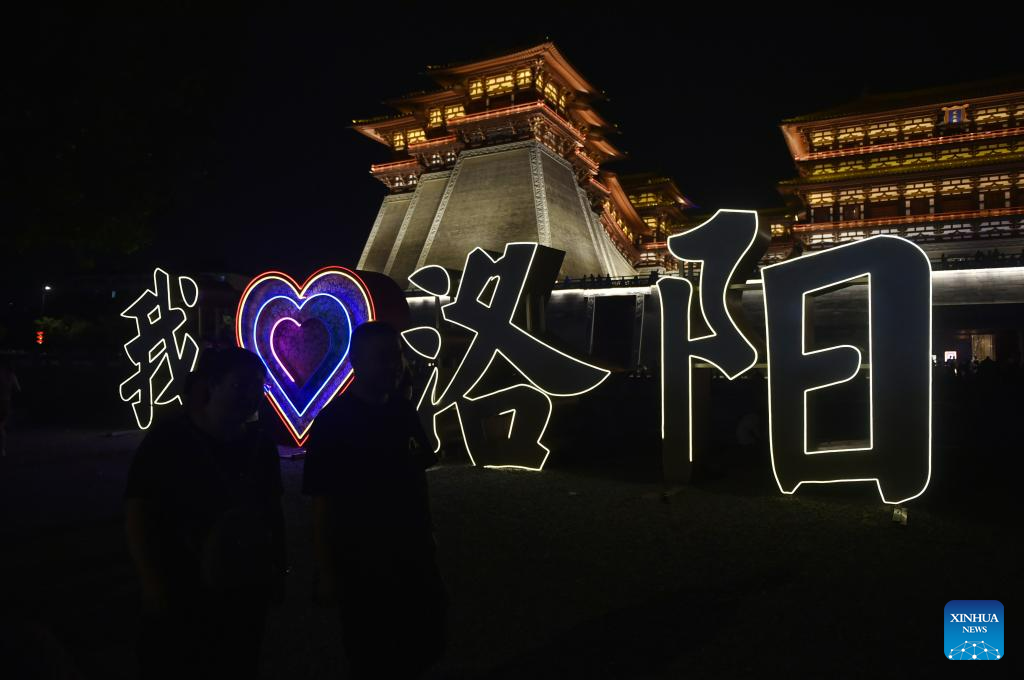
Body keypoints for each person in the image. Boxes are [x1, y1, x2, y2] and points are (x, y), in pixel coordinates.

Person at [124, 348, 286, 679]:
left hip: (244, 586)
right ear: (211, 385)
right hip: (182, 586)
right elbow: (137, 512)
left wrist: (278, 568)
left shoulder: (261, 445)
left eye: (259, 386)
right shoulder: (168, 441)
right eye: (242, 385)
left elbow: (272, 511)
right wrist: (151, 583)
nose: (253, 396)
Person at [304, 321, 446, 679]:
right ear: (356, 362)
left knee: (421, 644)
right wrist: (326, 569)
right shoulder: (333, 423)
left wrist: (428, 532)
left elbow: (418, 474)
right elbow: (322, 503)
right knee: (371, 652)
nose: (394, 365)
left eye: (396, 355)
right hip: (362, 560)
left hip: (412, 553)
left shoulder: (402, 410)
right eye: (382, 357)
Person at [0, 357, 21, 456]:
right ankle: (2, 448)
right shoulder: (11, 376)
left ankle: (2, 448)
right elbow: (18, 389)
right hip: (6, 402)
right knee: (1, 426)